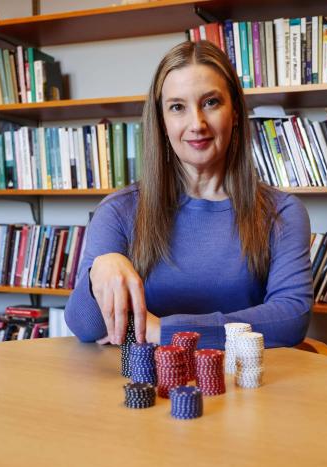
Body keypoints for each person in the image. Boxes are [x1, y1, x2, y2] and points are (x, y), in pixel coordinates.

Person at [64, 41, 312, 350]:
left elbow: (290, 318)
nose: (197, 124)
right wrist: (99, 269)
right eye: (177, 107)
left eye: (210, 102)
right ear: (162, 121)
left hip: (249, 392)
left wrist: (163, 331)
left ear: (234, 112)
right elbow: (86, 327)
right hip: (147, 388)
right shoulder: (118, 211)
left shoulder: (282, 212)